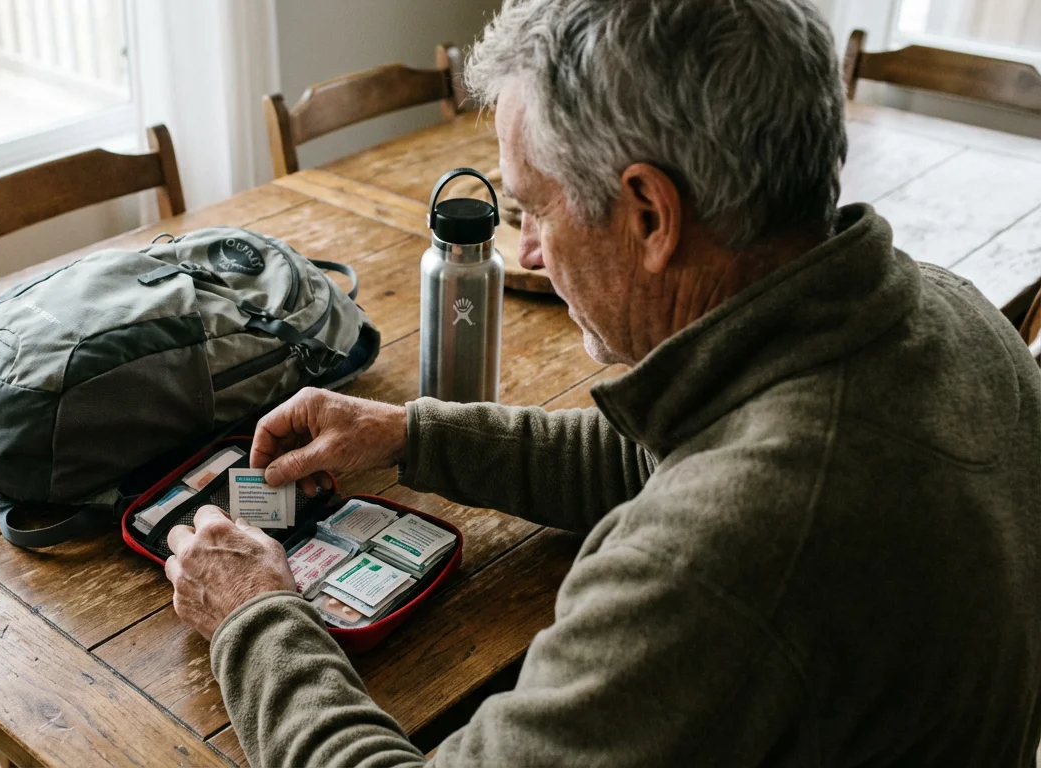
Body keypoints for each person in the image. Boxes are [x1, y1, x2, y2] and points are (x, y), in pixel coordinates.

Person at [162, 0, 1041, 764]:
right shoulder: (949, 314)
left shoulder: (717, 560)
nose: (528, 251)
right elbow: (671, 456)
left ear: (651, 214)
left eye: (534, 208)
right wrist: (407, 435)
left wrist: (256, 617)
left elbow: (716, 507)